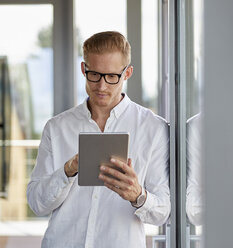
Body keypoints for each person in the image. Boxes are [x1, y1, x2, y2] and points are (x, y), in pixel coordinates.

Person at [27, 31, 170, 248]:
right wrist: (67, 170)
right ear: (84, 69)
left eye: (112, 77)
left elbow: (162, 212)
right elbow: (37, 203)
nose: (101, 86)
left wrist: (138, 195)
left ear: (127, 73)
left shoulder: (153, 128)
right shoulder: (57, 128)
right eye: (94, 74)